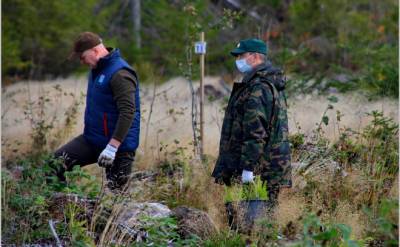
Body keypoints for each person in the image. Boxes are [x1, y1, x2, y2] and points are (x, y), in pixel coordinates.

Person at [52, 32, 140, 191]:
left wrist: (113, 147)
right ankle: (63, 208)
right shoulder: (98, 69)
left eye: (82, 56)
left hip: (119, 148)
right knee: (54, 165)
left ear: (94, 50)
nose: (81, 61)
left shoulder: (120, 73)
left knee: (115, 199)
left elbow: (128, 112)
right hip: (92, 140)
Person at [212, 38, 291, 206]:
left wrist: (248, 169)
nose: (238, 60)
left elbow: (256, 132)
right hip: (259, 168)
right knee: (248, 219)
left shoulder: (259, 87)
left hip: (257, 172)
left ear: (255, 57)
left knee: (250, 221)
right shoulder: (259, 83)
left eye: (241, 56)